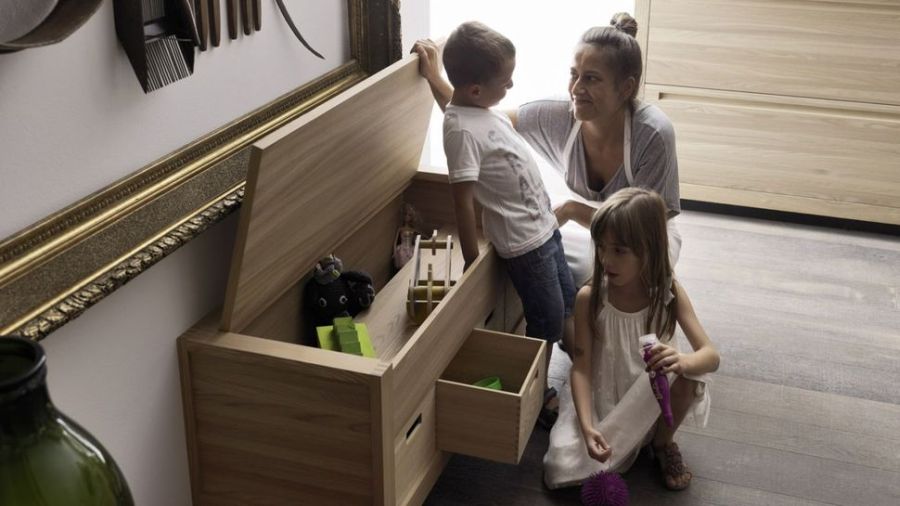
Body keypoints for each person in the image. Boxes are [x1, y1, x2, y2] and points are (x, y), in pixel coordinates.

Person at [413, 13, 681, 291]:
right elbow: (475, 120)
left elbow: (645, 226)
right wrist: (433, 76)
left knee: (623, 282)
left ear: (626, 87)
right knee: (532, 261)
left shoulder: (653, 134)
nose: (576, 89)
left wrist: (573, 209)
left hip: (646, 236)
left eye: (591, 79)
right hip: (585, 230)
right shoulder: (557, 114)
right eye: (573, 75)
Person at [542, 187, 719, 491]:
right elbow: (581, 369)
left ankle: (662, 443)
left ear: (648, 249)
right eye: (601, 247)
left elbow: (711, 355)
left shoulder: (668, 292)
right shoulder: (591, 297)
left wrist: (681, 359)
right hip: (602, 400)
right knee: (559, 468)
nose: (606, 259)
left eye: (619, 250)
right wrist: (586, 428)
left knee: (691, 373)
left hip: (651, 397)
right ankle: (608, 434)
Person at [437, 22, 576, 403]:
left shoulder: (478, 107)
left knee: (566, 301)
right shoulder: (462, 129)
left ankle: (579, 357)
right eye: (507, 81)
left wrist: (433, 75)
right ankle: (539, 393)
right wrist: (470, 261)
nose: (511, 87)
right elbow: (462, 201)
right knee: (546, 319)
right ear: (478, 89)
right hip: (524, 245)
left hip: (544, 227)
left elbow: (453, 102)